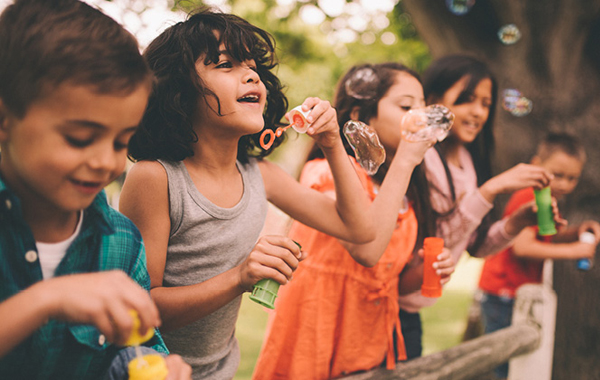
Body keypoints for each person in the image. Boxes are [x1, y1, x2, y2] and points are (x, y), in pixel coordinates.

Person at [118, 8, 375, 380]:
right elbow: (140, 307)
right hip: (153, 373)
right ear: (179, 88)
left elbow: (359, 229)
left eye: (253, 66)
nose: (251, 74)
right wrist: (239, 277)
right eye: (226, 65)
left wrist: (333, 144)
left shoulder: (260, 175)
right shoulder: (156, 178)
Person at [0, 1, 191, 379]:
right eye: (80, 138)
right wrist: (45, 300)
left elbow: (137, 343)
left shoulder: (121, 242)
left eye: (122, 142)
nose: (107, 162)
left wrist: (152, 365)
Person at [252, 62, 456, 380]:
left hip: (368, 345)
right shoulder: (329, 174)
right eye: (406, 105)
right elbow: (367, 250)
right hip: (316, 336)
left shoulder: (403, 193)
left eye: (423, 105)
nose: (422, 116)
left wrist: (425, 272)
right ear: (361, 116)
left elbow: (387, 279)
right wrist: (406, 159)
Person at [397, 54, 555, 359]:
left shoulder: (471, 163)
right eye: (466, 99)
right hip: (390, 300)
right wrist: (489, 190)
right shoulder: (420, 159)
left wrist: (517, 222)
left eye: (485, 103)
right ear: (432, 100)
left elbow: (475, 245)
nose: (478, 112)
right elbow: (438, 238)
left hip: (412, 312)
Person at [478, 132, 600, 379]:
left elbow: (547, 235)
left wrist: (576, 233)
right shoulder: (528, 196)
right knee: (505, 363)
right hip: (503, 293)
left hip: (518, 294)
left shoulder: (547, 198)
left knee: (520, 361)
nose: (564, 184)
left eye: (572, 178)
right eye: (558, 175)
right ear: (536, 165)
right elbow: (523, 247)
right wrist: (573, 251)